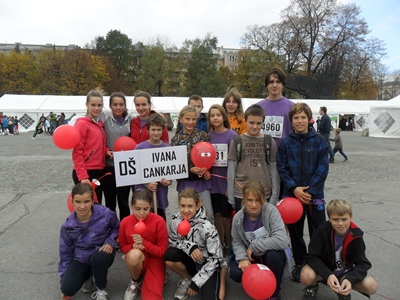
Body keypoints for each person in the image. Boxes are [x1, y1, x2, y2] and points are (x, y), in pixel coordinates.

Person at [277, 103, 329, 282]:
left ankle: (317, 264)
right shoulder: (285, 143)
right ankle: (299, 263)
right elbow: (282, 169)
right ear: (291, 120)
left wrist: (310, 191)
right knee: (296, 233)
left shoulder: (320, 141)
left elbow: (322, 168)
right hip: (292, 198)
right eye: (296, 118)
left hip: (314, 197)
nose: (299, 121)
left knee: (318, 233)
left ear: (309, 119)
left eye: (303, 117)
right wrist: (294, 189)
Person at [301, 199, 378, 299]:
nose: (340, 223)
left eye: (344, 219)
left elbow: (363, 264)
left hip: (344, 273)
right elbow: (311, 257)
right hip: (324, 271)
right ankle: (312, 287)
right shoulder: (321, 232)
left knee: (371, 286)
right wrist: (328, 275)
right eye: (335, 219)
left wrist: (350, 279)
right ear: (329, 219)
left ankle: (343, 288)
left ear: (351, 218)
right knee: (306, 275)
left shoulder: (356, 235)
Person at [59, 183, 119, 300]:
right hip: (81, 258)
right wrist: (63, 280)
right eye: (78, 202)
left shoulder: (105, 214)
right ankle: (87, 275)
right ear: (72, 202)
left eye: (86, 201)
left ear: (92, 201)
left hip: (102, 253)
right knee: (67, 288)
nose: (82, 206)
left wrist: (110, 241)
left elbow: (117, 227)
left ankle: (101, 289)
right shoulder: (67, 226)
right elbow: (65, 254)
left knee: (98, 259)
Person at [229, 180, 288, 300]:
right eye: (250, 200)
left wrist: (254, 246)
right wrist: (243, 258)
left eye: (258, 200)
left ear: (263, 199)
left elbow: (282, 240)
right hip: (252, 256)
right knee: (235, 272)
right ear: (244, 199)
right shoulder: (238, 217)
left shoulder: (271, 212)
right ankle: (255, 284)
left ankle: (274, 293)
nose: (254, 204)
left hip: (269, 254)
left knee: (274, 257)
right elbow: (237, 241)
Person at [164, 188, 225, 300]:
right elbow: (172, 241)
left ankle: (223, 272)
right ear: (179, 205)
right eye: (183, 206)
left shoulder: (207, 227)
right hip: (191, 261)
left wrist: (197, 282)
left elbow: (216, 258)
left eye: (190, 206)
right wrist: (190, 247)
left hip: (208, 264)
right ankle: (188, 279)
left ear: (197, 206)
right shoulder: (175, 220)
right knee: (169, 255)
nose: (186, 210)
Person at [227, 104, 280, 212]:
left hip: (264, 192)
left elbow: (273, 170)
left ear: (263, 123)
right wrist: (231, 196)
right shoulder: (237, 141)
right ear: (245, 121)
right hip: (241, 193)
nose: (255, 126)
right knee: (242, 227)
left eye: (258, 123)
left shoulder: (269, 141)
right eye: (251, 122)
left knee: (263, 227)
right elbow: (231, 170)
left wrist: (275, 195)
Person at [119, 189, 168, 300]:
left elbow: (162, 252)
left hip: (155, 260)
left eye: (146, 209)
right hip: (137, 259)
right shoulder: (125, 222)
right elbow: (122, 246)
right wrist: (132, 247)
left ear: (151, 205)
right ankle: (135, 280)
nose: (141, 213)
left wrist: (144, 243)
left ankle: (159, 274)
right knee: (133, 255)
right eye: (138, 209)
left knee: (152, 297)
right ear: (131, 205)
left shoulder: (159, 221)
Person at [170, 105, 214, 223]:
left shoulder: (203, 136)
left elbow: (208, 156)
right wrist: (190, 169)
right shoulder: (176, 140)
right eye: (187, 119)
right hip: (185, 182)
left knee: (208, 214)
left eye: (193, 119)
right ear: (181, 119)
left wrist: (207, 171)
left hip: (201, 182)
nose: (190, 122)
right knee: (186, 215)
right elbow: (175, 164)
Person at [208, 104, 238, 249]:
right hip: (212, 183)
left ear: (223, 117)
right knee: (217, 215)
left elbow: (236, 161)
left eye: (218, 115)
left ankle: (230, 244)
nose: (215, 118)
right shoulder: (207, 137)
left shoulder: (232, 136)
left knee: (227, 216)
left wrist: (231, 185)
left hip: (226, 182)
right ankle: (219, 243)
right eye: (212, 115)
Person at [100, 92, 133, 220]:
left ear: (125, 105)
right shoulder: (104, 120)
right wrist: (106, 150)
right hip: (109, 166)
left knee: (124, 202)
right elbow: (99, 140)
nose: (118, 107)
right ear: (110, 106)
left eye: (121, 104)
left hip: (126, 167)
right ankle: (111, 229)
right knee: (110, 203)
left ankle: (124, 229)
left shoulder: (131, 120)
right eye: (115, 104)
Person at [135, 113, 172, 221]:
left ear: (163, 130)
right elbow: (135, 172)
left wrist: (168, 181)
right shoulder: (139, 148)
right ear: (148, 130)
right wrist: (146, 184)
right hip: (143, 194)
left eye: (159, 130)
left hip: (160, 193)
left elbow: (171, 172)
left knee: (160, 220)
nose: (156, 133)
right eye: (153, 129)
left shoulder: (167, 148)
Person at [72, 90, 107, 203]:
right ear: (86, 105)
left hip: (98, 170)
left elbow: (96, 145)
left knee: (96, 206)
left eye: (99, 105)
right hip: (87, 171)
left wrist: (106, 151)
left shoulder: (99, 124)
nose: (96, 108)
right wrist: (83, 176)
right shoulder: (82, 124)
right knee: (87, 207)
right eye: (93, 105)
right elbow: (77, 151)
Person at [257, 67, 295, 148]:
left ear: (283, 84)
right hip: (262, 154)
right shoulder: (258, 107)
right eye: (271, 82)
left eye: (278, 82)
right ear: (267, 85)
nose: (274, 85)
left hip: (285, 154)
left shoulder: (292, 107)